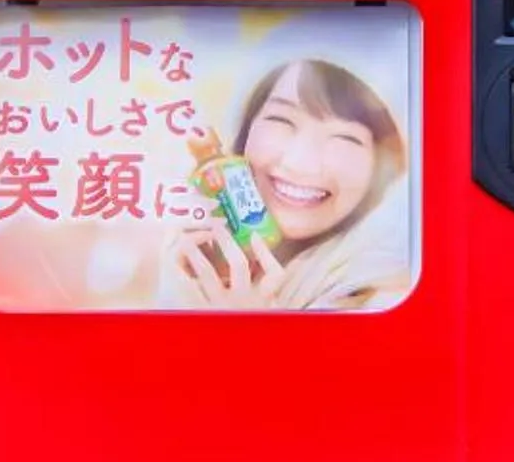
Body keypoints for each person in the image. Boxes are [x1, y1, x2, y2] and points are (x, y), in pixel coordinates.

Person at [165, 55, 410, 311]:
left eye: (345, 138)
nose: (300, 162)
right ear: (245, 130)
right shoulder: (194, 253)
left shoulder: (384, 299)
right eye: (281, 120)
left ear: (381, 167)